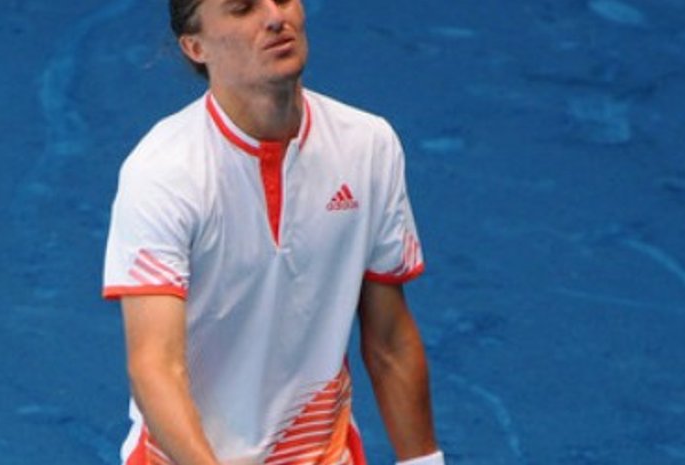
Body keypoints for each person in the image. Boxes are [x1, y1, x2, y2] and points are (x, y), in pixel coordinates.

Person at [102, 1, 445, 464]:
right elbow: (155, 368)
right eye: (243, 8)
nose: (274, 17)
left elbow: (389, 341)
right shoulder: (163, 172)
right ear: (195, 47)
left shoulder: (368, 146)